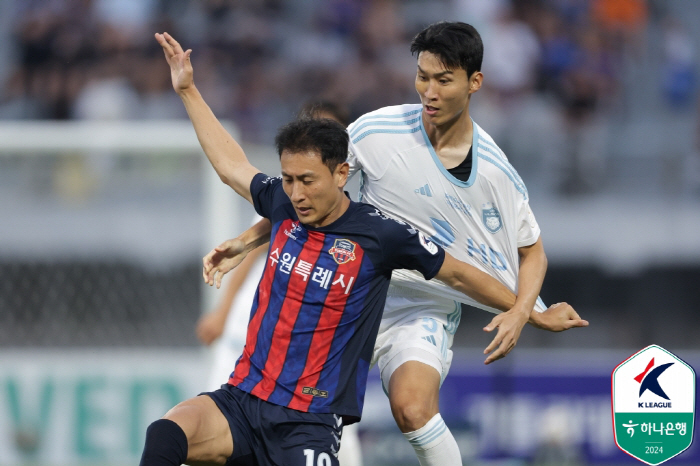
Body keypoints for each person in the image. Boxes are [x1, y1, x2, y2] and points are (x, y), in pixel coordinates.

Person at [142, 32, 586, 466]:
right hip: (261, 385)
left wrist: (529, 311)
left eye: (443, 79)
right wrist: (244, 239)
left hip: (405, 317)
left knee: (412, 408)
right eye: (421, 76)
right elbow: (255, 173)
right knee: (169, 432)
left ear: (475, 82)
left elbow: (471, 269)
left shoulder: (472, 187)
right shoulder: (365, 140)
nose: (428, 92)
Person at [195, 101, 365, 466]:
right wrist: (222, 312)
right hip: (254, 338)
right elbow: (258, 243)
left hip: (316, 373)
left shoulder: (360, 207)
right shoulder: (290, 201)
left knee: (338, 450)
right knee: (216, 436)